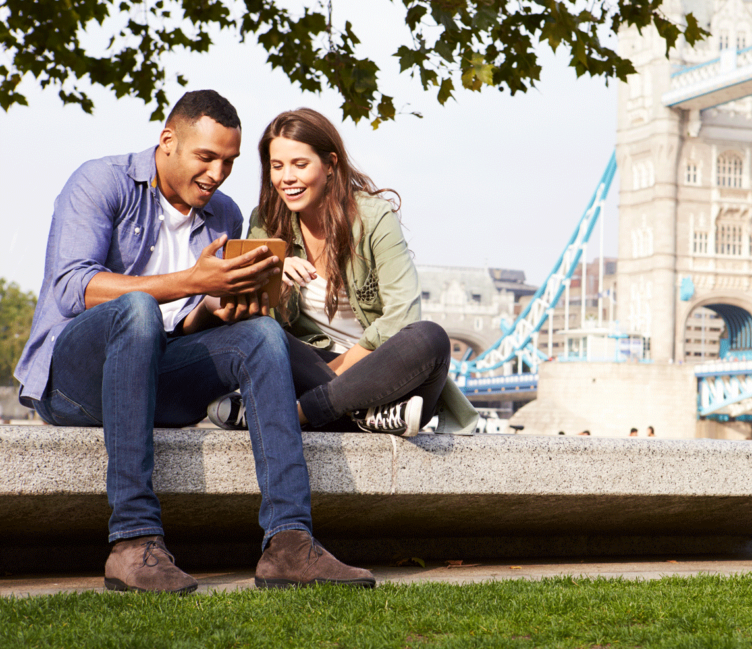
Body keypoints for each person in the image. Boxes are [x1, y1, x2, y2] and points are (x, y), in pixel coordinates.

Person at [14, 91, 374, 594]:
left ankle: (289, 542)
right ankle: (133, 542)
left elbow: (180, 325)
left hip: (155, 374)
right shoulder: (100, 181)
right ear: (168, 141)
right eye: (205, 157)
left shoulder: (224, 215)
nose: (217, 173)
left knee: (261, 334)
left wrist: (213, 309)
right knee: (136, 309)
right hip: (74, 384)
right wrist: (193, 281)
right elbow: (75, 288)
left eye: (228, 161)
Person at [226, 108, 476, 436]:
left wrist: (342, 379)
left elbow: (402, 315)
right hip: (311, 369)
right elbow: (253, 317)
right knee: (256, 331)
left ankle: (297, 413)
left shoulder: (373, 218)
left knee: (430, 337)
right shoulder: (266, 220)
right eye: (277, 166)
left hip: (386, 377)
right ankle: (369, 416)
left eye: (300, 164)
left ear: (330, 165)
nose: (286, 177)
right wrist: (273, 272)